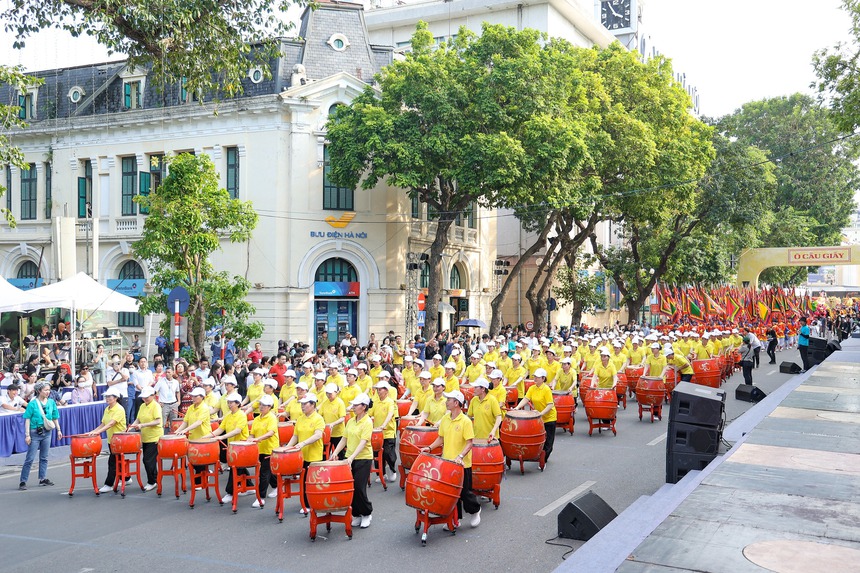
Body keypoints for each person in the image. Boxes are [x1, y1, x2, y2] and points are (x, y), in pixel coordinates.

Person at [421, 390, 481, 528]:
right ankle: (455, 519)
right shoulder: (446, 419)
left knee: (465, 493)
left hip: (462, 464)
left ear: (456, 403)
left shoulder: (465, 421)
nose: (446, 401)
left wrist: (460, 456)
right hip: (446, 463)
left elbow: (469, 442)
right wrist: (429, 448)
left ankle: (475, 511)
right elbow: (440, 438)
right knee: (450, 493)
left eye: (449, 399)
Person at [330, 392, 374, 529]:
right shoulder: (350, 421)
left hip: (363, 458)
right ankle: (356, 514)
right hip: (349, 458)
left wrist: (351, 457)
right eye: (353, 405)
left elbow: (363, 442)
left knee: (360, 488)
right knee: (349, 488)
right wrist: (335, 452)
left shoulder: (367, 422)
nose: (353, 407)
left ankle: (366, 513)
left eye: (356, 405)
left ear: (364, 406)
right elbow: (344, 438)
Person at [18, 381, 62, 490]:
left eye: (48, 390)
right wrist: (27, 435)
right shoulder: (33, 404)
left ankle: (43, 478)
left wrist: (59, 429)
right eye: (45, 390)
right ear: (39, 391)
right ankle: (23, 481)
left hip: (47, 432)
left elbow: (54, 417)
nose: (48, 392)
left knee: (44, 457)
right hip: (35, 432)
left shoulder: (51, 402)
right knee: (30, 458)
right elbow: (27, 419)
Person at [285, 393, 325, 510]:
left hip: (314, 455)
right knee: (303, 480)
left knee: (311, 481)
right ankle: (305, 503)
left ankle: (312, 503)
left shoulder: (318, 418)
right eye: (301, 404)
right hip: (301, 455)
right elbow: (295, 436)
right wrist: (287, 447)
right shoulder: (300, 419)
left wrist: (303, 443)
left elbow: (318, 435)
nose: (302, 406)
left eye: (305, 404)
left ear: (312, 405)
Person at [210, 392, 250, 503]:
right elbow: (220, 429)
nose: (229, 404)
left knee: (234, 468)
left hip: (242, 447)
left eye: (231, 402)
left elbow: (237, 430)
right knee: (237, 467)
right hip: (233, 446)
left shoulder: (242, 415)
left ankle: (230, 492)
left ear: (238, 403)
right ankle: (249, 485)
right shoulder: (228, 415)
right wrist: (208, 437)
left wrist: (221, 437)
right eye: (228, 402)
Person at [88, 387, 127, 493]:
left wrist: (98, 432)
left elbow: (111, 423)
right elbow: (104, 423)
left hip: (119, 440)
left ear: (115, 398)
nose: (107, 398)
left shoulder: (119, 409)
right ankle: (127, 478)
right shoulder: (107, 409)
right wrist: (93, 431)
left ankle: (109, 484)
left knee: (112, 462)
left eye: (109, 396)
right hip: (111, 439)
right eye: (106, 396)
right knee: (117, 460)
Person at [514, 367, 557, 462]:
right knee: (538, 438)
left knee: (548, 440)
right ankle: (537, 454)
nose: (535, 379)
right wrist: (517, 407)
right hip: (538, 417)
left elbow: (550, 405)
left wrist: (541, 414)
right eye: (534, 377)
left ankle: (544, 458)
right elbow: (526, 399)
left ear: (543, 378)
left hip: (549, 418)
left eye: (537, 377)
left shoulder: (546, 389)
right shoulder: (532, 388)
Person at [128, 386, 163, 491]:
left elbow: (157, 421)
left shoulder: (156, 406)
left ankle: (152, 481)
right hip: (145, 437)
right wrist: (130, 429)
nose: (145, 399)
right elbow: (138, 420)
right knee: (149, 460)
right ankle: (154, 479)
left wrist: (143, 425)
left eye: (147, 397)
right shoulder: (143, 406)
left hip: (155, 437)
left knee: (148, 460)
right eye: (143, 397)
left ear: (153, 396)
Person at [247, 394, 279, 508]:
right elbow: (252, 433)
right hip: (259, 449)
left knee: (264, 473)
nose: (261, 407)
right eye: (260, 404)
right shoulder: (256, 419)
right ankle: (276, 486)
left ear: (270, 407)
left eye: (264, 405)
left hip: (270, 449)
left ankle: (260, 498)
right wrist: (249, 440)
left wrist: (258, 439)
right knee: (268, 471)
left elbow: (271, 432)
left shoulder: (272, 417)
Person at [369, 381, 398, 482]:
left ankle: (392, 469)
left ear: (386, 390)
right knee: (376, 453)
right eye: (377, 389)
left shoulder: (390, 402)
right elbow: (369, 413)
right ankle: (381, 473)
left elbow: (390, 414)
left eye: (380, 389)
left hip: (388, 431)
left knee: (388, 452)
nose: (378, 391)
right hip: (377, 433)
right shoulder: (376, 402)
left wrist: (383, 425)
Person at [320, 383, 346, 460]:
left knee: (340, 454)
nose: (329, 395)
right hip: (327, 433)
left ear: (336, 392)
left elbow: (342, 418)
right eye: (327, 393)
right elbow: (320, 415)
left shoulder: (340, 403)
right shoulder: (325, 403)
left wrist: (333, 424)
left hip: (338, 433)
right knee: (324, 453)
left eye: (330, 393)